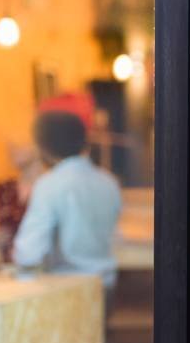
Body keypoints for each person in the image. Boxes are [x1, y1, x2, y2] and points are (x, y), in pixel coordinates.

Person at [13, 110, 122, 290]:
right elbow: (115, 236)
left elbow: (28, 253)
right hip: (106, 285)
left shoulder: (49, 185)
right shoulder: (109, 182)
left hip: (67, 290)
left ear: (43, 147)